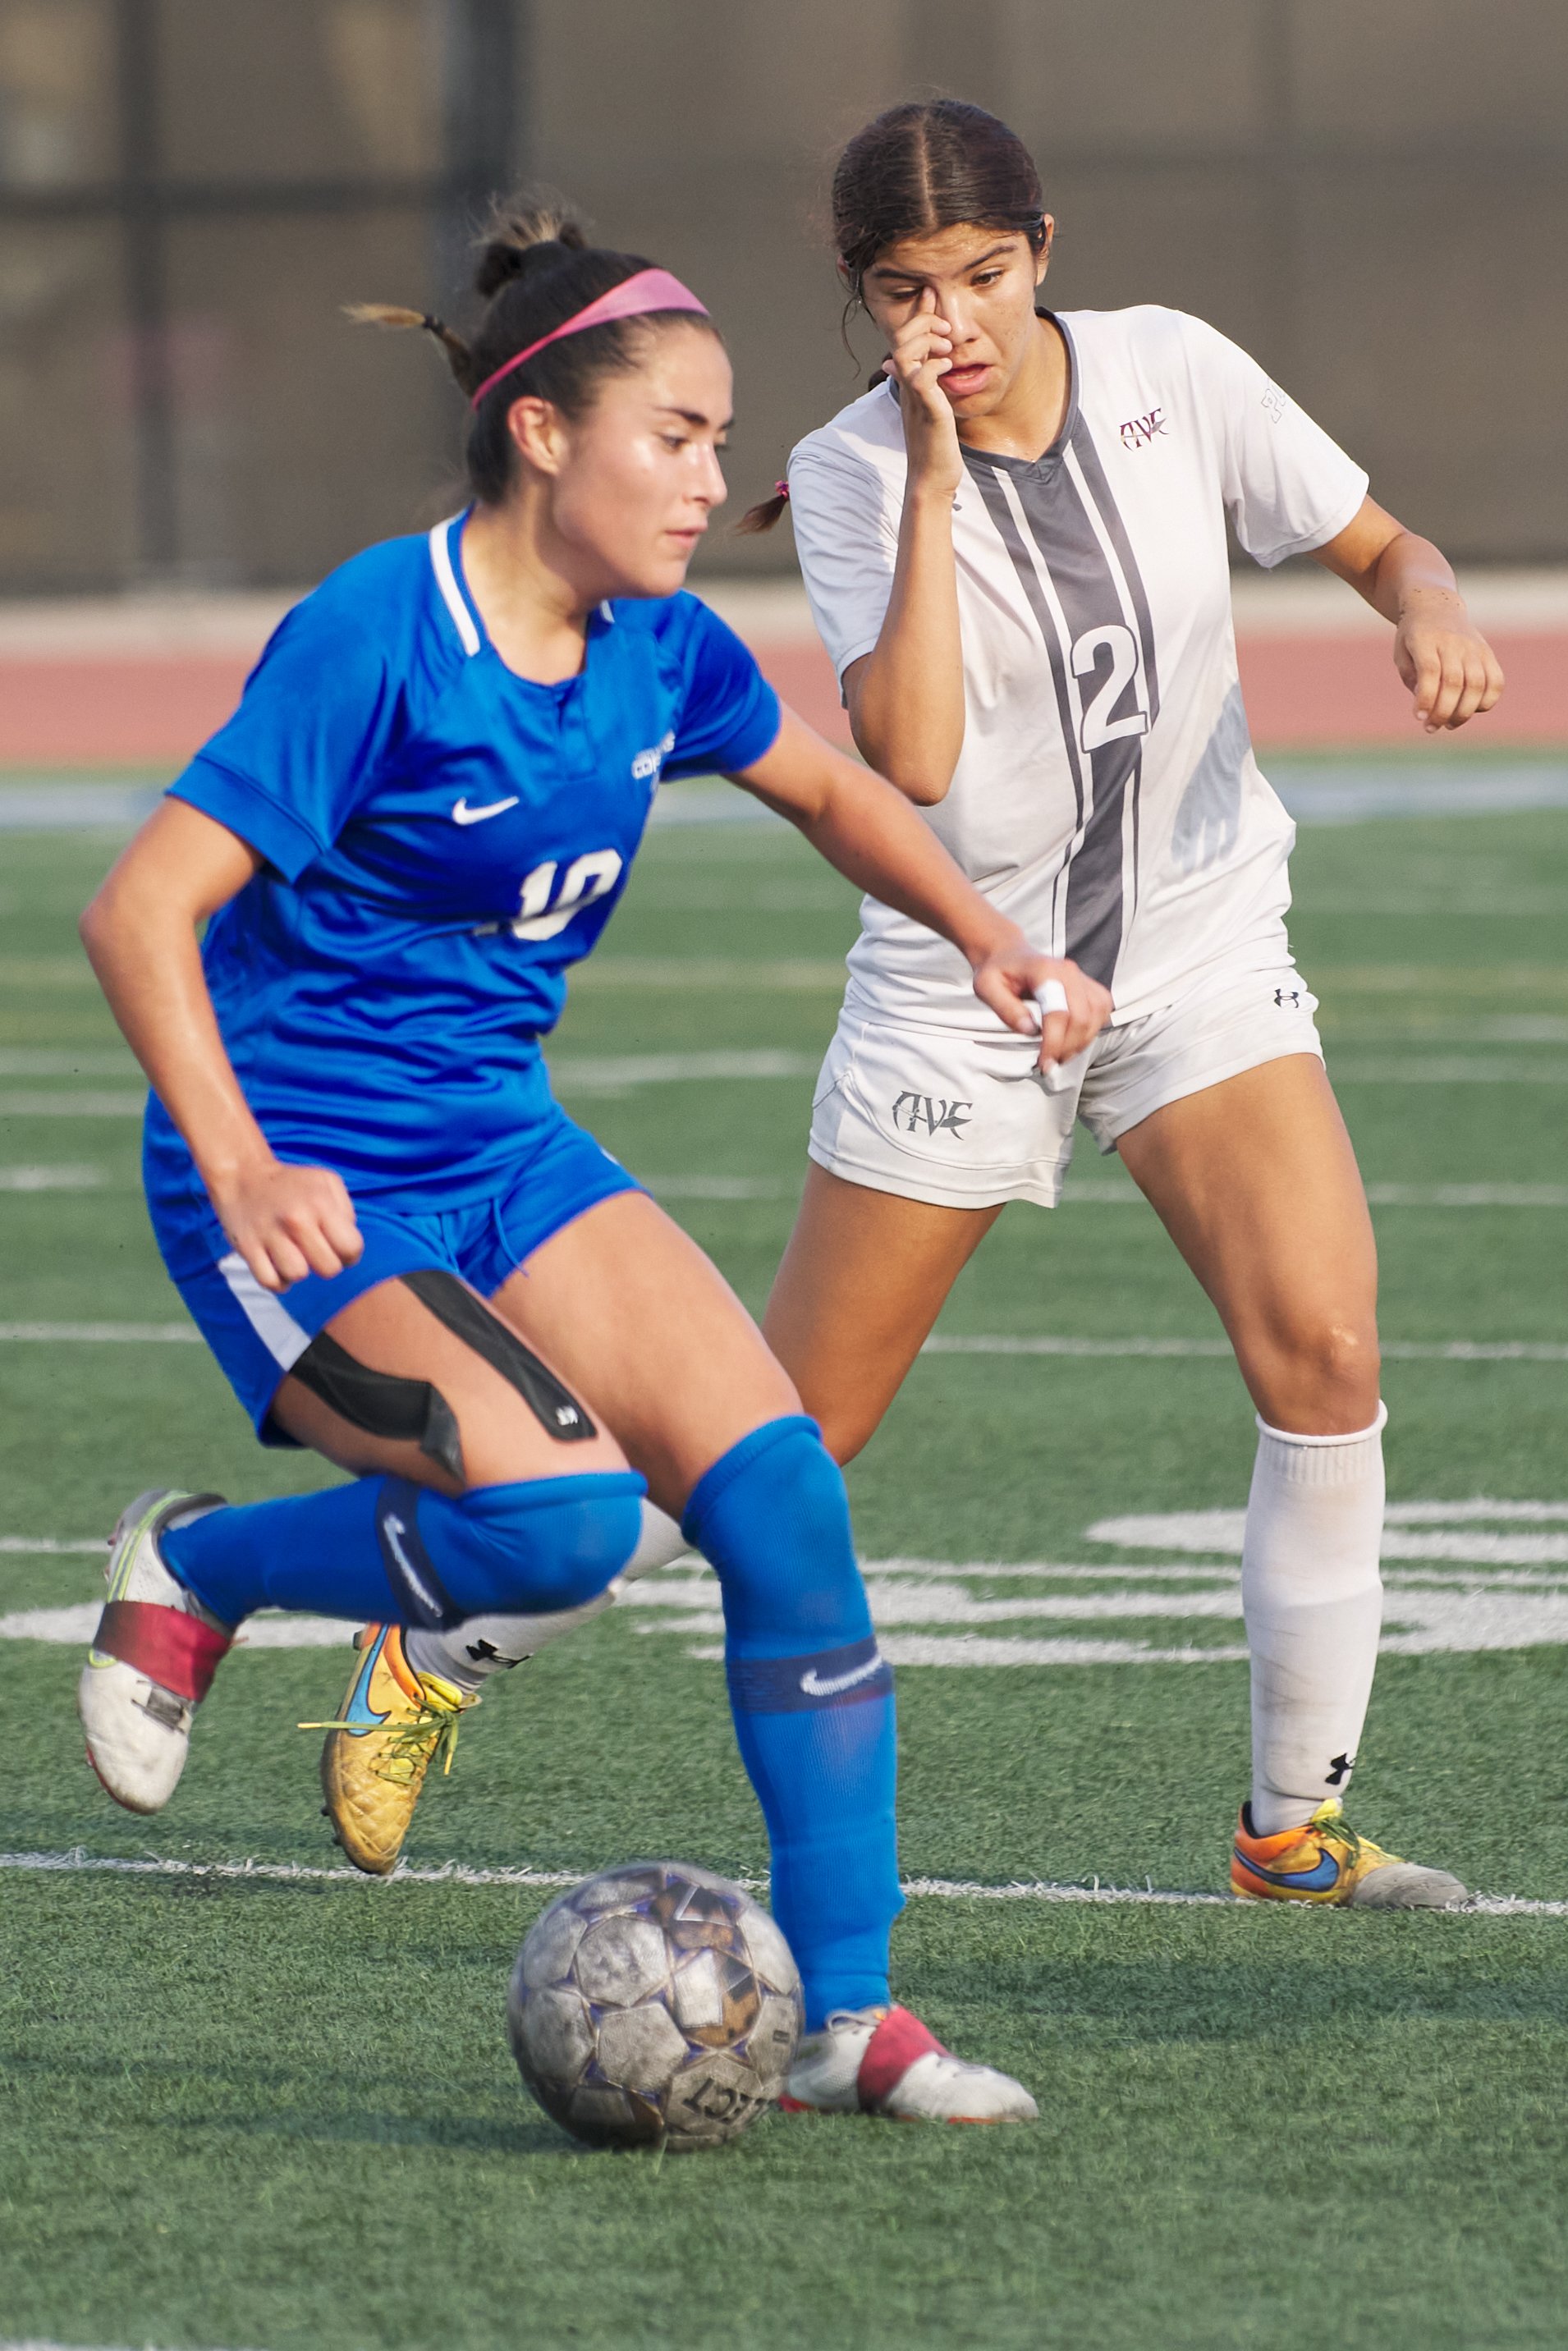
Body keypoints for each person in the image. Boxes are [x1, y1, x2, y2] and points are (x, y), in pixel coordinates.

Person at [74, 204, 1121, 2124]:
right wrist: (235, 1158)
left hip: (497, 1140)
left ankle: (854, 2021)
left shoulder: (662, 647)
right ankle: (203, 1561)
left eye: (726, 438)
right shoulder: (379, 630)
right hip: (296, 1162)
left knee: (784, 1499)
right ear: (542, 433)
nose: (712, 476)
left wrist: (984, 935)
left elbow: (822, 784)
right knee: (554, 1527)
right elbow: (141, 911)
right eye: (679, 436)